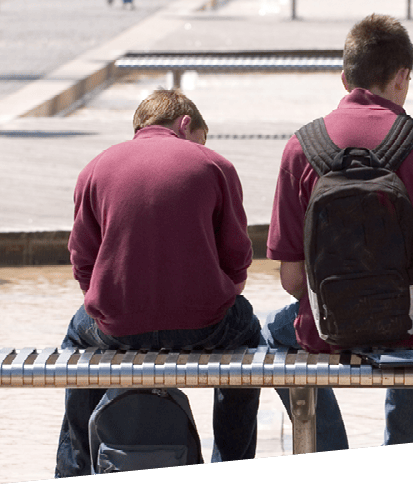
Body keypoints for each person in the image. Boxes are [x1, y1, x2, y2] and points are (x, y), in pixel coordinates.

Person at [264, 13, 413, 446]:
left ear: (345, 79)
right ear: (402, 76)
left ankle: (330, 442)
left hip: (326, 330)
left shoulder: (301, 148)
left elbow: (290, 278)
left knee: (272, 335)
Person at [57, 89, 262, 476]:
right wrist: (218, 296)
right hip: (206, 326)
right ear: (185, 124)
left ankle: (75, 468)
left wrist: (110, 306)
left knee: (76, 344)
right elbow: (238, 260)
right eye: (200, 138)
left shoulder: (96, 168)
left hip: (118, 329)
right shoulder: (215, 165)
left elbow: (83, 262)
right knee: (249, 336)